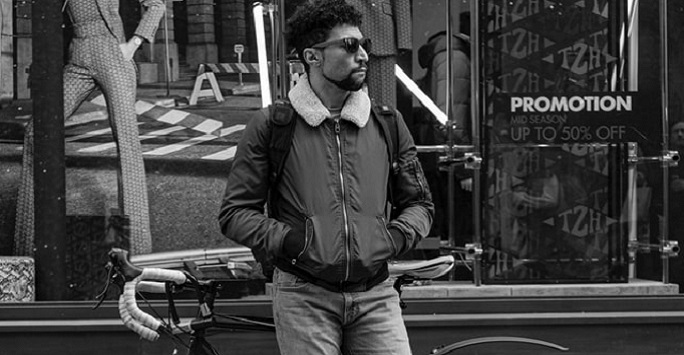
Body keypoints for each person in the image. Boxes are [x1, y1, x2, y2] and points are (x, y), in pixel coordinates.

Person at [218, 1, 434, 354]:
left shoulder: (387, 122)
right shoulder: (274, 124)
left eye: (362, 44)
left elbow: (420, 204)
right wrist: (293, 241)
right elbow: (235, 214)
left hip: (377, 294)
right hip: (304, 295)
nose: (363, 54)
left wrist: (391, 238)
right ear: (312, 56)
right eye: (349, 46)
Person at [14, 0, 165, 256]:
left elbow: (157, 5)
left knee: (127, 142)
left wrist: (133, 44)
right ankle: (26, 244)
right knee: (34, 133)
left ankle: (138, 248)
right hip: (78, 60)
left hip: (113, 56)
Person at [344, 0, 412, 107]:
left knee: (384, 106)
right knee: (342, 102)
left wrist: (403, 38)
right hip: (341, 23)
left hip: (380, 31)